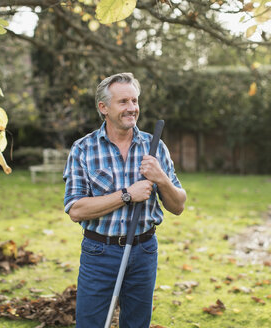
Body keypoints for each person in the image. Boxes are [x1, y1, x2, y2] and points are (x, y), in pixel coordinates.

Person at [63, 72, 187, 327]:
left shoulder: (155, 147)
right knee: (90, 323)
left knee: (137, 324)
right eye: (123, 102)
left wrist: (161, 178)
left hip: (143, 250)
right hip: (99, 252)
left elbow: (179, 206)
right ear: (103, 107)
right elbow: (76, 210)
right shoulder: (83, 149)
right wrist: (127, 195)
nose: (132, 108)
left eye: (134, 101)